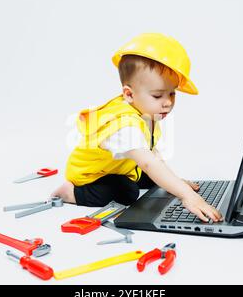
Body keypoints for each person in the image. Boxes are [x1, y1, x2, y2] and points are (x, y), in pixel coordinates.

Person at [51, 33, 222, 223]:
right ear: (129, 94)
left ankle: (164, 182)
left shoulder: (146, 113)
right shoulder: (124, 124)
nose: (167, 103)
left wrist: (176, 183)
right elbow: (149, 163)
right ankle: (71, 193)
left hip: (122, 165)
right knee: (127, 191)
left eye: (172, 93)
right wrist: (186, 196)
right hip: (93, 176)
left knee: (154, 179)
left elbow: (153, 156)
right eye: (158, 96)